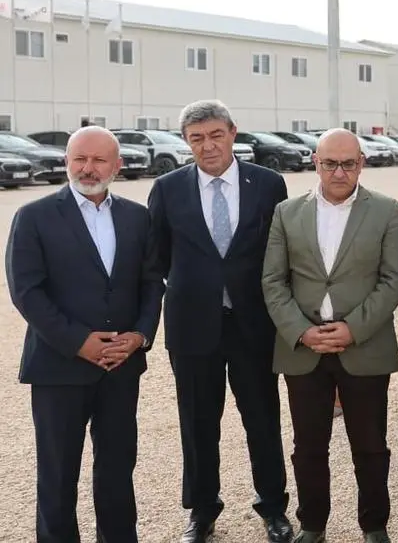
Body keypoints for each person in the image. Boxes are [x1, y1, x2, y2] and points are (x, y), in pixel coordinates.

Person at [147, 100, 293, 543]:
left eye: (215, 135)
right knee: (197, 424)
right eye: (197, 138)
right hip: (193, 326)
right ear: (186, 142)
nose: (207, 145)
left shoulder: (268, 184)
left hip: (254, 324)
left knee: (262, 420)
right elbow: (157, 258)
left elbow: (281, 253)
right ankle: (202, 510)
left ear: (232, 132)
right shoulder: (167, 189)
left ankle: (273, 507)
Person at [8, 127, 163, 543]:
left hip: (120, 367)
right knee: (58, 474)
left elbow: (152, 283)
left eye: (98, 160)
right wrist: (79, 342)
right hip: (58, 367)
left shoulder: (137, 217)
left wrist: (140, 335)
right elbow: (27, 292)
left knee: (117, 469)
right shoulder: (34, 217)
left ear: (118, 165)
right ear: (66, 162)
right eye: (79, 159)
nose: (88, 168)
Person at [261, 129, 398, 543]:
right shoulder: (287, 213)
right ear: (315, 162)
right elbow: (273, 281)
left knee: (371, 445)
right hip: (304, 349)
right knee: (308, 446)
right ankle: (312, 524)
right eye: (330, 164)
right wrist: (302, 332)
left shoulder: (386, 211)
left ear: (361, 163)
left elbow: (393, 279)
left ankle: (374, 525)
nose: (339, 172)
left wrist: (353, 329)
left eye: (348, 164)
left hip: (365, 347)